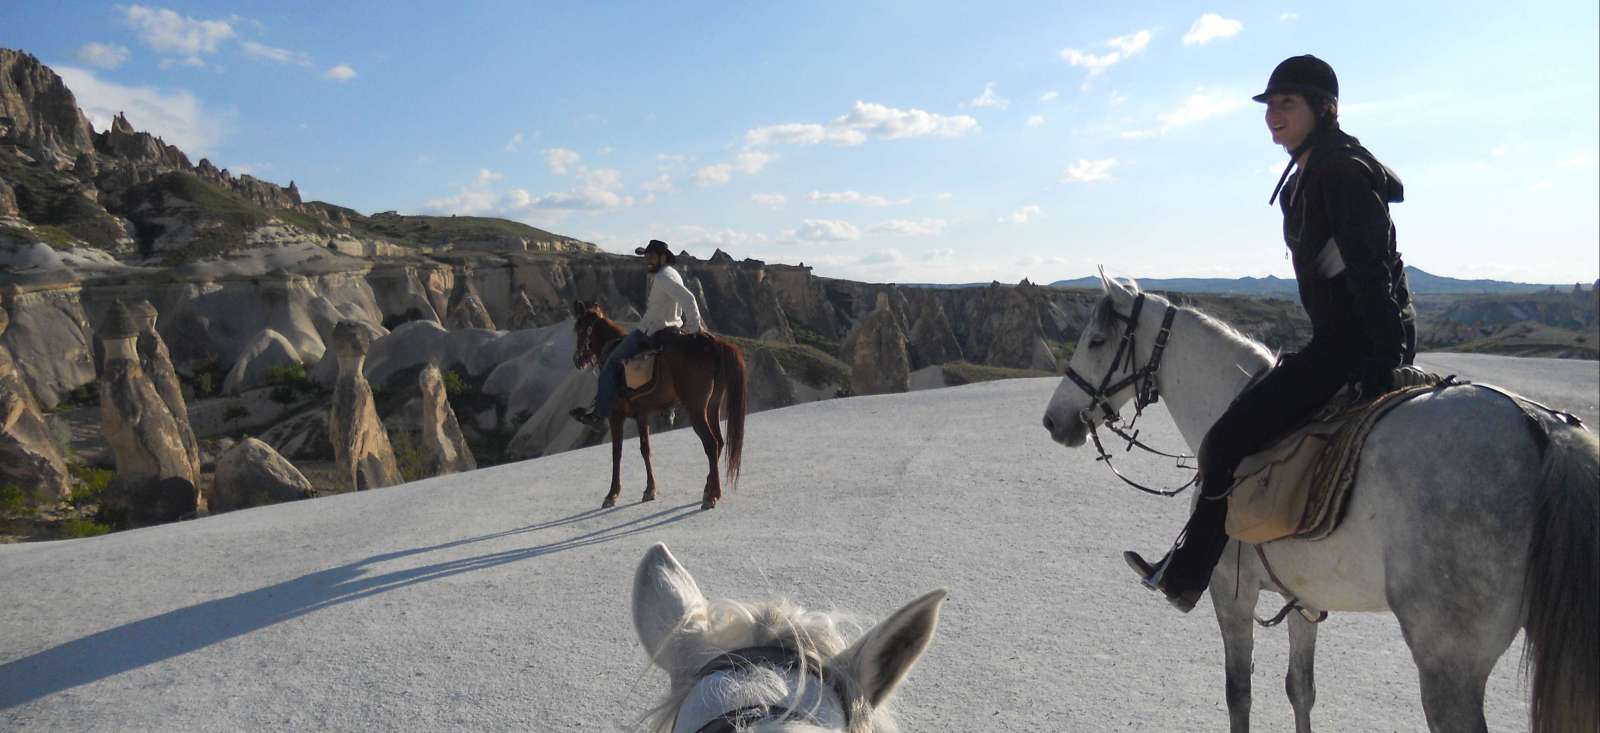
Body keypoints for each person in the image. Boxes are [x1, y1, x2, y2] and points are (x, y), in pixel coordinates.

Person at [1124, 55, 1417, 612]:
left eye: (1288, 103)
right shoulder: (1309, 173)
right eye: (1271, 105)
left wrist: (1381, 363)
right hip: (1342, 340)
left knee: (1225, 442)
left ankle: (1188, 573)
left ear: (1324, 109)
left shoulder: (1342, 172)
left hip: (1356, 346)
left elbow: (1371, 272)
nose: (1274, 114)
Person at [570, 240, 705, 431]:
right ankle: (667, 408)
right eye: (645, 257)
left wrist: (694, 327)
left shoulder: (663, 278)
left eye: (651, 256)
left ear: (663, 257)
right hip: (669, 328)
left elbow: (688, 298)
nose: (647, 260)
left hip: (651, 331)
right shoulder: (671, 273)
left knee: (610, 364)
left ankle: (599, 415)